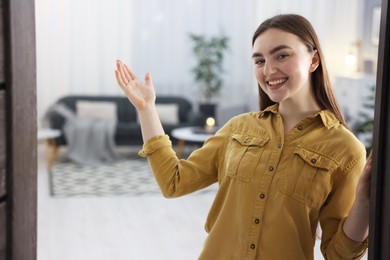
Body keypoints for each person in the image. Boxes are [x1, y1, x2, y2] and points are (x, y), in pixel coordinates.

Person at [115, 13, 372, 260]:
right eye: (259, 61)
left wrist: (363, 203)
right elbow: (174, 182)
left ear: (313, 60)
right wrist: (147, 109)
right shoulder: (238, 128)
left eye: (282, 55)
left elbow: (338, 254)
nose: (269, 70)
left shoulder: (346, 149)